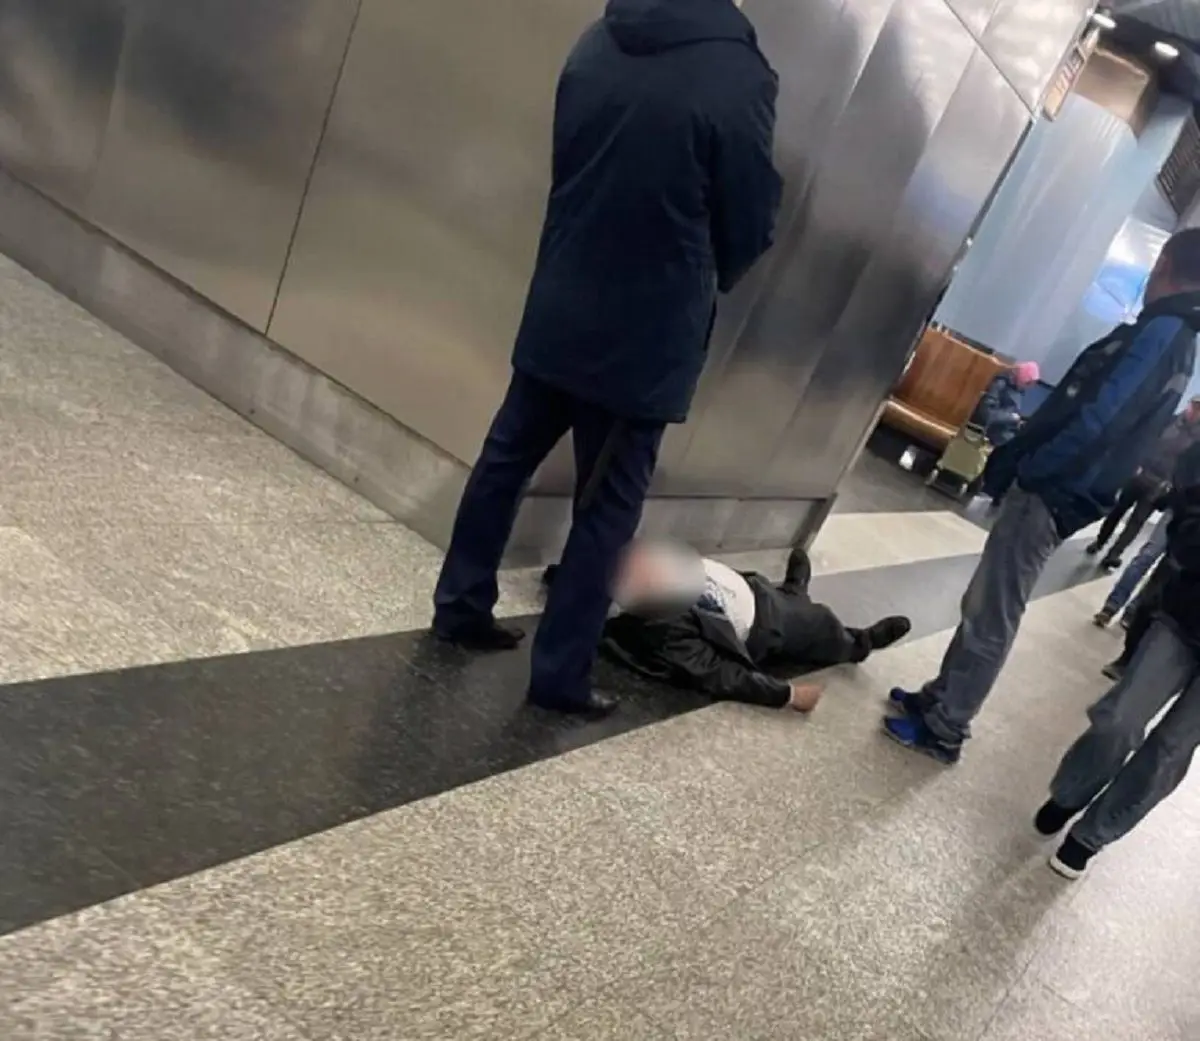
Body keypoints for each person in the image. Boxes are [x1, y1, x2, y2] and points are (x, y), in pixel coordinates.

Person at [431, 0, 782, 718]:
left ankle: (460, 605)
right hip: (644, 336)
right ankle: (559, 675)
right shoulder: (739, 74)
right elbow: (747, 217)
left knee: (505, 461)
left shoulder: (600, 39)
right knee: (605, 510)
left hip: (562, 295)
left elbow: (569, 161)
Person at [884, 229, 1200, 763]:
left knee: (995, 610)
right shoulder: (1179, 337)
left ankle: (947, 726)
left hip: (1057, 488)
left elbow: (1102, 416)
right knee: (986, 600)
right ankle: (941, 696)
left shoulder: (1163, 330)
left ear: (1165, 263)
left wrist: (1037, 468)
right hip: (1069, 486)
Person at [1036, 441, 1200, 879]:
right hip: (1187, 614)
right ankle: (1071, 792)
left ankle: (1090, 836)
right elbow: (1191, 471)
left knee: (1170, 750)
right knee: (1120, 720)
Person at [548, 543, 911, 710]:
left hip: (752, 589)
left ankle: (794, 590)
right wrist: (786, 695)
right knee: (821, 624)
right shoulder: (665, 629)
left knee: (785, 598)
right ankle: (860, 642)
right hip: (768, 623)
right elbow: (717, 673)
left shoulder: (651, 574)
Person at [1085, 396, 1200, 570]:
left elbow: (1190, 467)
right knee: (1117, 510)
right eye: (1195, 406)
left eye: (1199, 410)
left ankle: (1113, 555)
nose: (1195, 412)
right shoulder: (1169, 420)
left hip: (1160, 485)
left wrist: (1173, 484)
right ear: (1188, 405)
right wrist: (1136, 463)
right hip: (1141, 472)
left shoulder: (1197, 440)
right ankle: (1100, 541)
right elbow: (1148, 440)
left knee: (1137, 521)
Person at [1091, 507, 1170, 628]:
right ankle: (1112, 606)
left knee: (1163, 569)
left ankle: (1132, 610)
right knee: (1146, 557)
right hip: (1181, 508)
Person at [970, 360, 1041, 447]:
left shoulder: (1017, 388)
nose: (1028, 388)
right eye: (1028, 383)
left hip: (1004, 429)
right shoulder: (1001, 384)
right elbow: (986, 414)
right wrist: (1012, 417)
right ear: (1023, 378)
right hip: (993, 431)